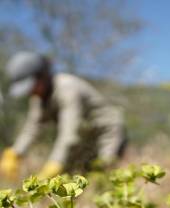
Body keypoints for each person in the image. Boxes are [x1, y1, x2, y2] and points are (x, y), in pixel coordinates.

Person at [0, 51, 126, 180]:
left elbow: (69, 134)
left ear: (42, 76)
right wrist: (15, 152)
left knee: (103, 175)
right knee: (74, 179)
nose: (30, 92)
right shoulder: (38, 98)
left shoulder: (67, 88)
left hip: (107, 133)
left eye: (32, 86)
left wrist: (54, 163)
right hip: (87, 137)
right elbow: (32, 128)